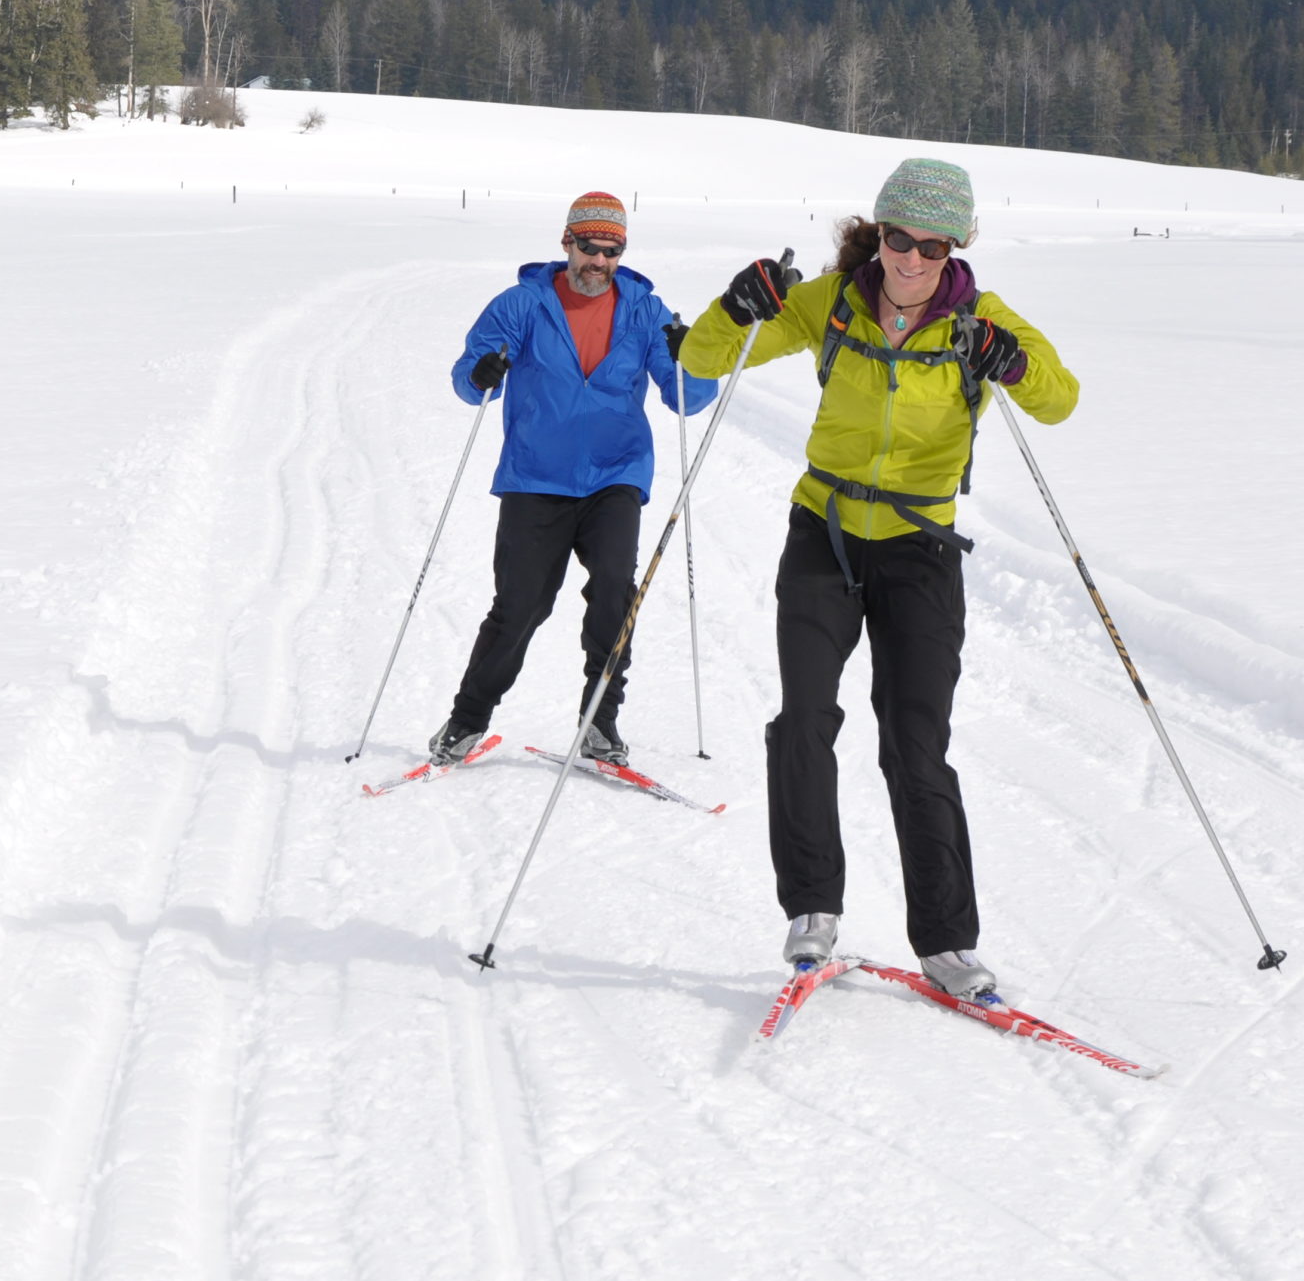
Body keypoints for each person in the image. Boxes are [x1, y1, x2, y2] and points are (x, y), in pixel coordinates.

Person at [676, 158, 1077, 1001]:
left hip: (919, 548)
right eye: (900, 239)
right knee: (804, 718)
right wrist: (737, 304)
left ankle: (946, 944)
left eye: (934, 245)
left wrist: (1007, 359)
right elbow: (705, 361)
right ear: (880, 233)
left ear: (956, 246)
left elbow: (1058, 399)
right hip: (822, 534)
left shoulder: (977, 319)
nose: (913, 260)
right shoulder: (831, 301)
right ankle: (812, 910)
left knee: (915, 742)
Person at [431, 192, 718, 767]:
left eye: (612, 251)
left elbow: (689, 399)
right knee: (521, 606)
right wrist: (481, 374)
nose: (600, 262)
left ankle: (599, 722)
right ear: (567, 244)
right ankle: (466, 722)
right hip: (536, 475)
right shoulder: (522, 304)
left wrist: (694, 360)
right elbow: (469, 380)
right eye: (589, 248)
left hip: (616, 474)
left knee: (615, 591)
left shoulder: (645, 309)